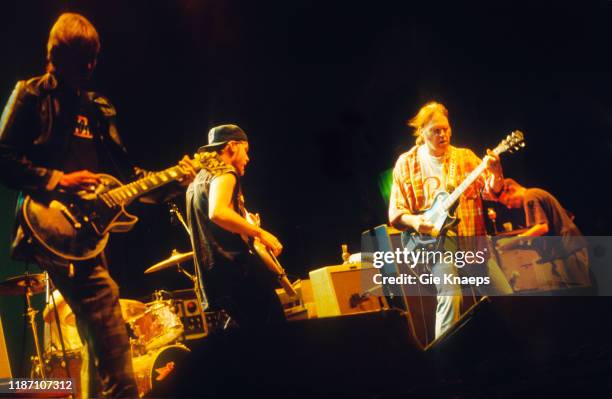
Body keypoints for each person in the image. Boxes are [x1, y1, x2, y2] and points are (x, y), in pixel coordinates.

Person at [0, 13, 195, 398]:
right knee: (110, 330)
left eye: (94, 57)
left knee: (99, 337)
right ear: (55, 56)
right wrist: (57, 180)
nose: (89, 67)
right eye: (81, 58)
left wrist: (173, 181)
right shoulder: (32, 95)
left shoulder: (97, 108)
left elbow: (124, 176)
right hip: (50, 223)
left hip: (87, 235)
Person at [388, 101, 512, 338]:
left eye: (446, 128)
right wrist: (416, 222)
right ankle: (443, 363)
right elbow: (395, 213)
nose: (443, 134)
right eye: (436, 130)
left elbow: (492, 192)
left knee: (504, 295)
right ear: (422, 132)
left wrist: (495, 173)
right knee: (451, 295)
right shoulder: (406, 163)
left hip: (471, 241)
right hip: (433, 244)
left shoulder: (465, 157)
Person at [186, 124, 286, 328]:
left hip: (216, 276)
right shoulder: (225, 171)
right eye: (246, 151)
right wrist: (261, 232)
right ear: (232, 146)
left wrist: (246, 226)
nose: (248, 158)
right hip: (238, 272)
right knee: (275, 330)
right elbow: (218, 212)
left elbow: (216, 222)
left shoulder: (197, 179)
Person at [497, 178, 590, 288]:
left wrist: (514, 241)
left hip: (569, 249)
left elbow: (542, 227)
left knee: (579, 292)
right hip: (571, 247)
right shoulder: (536, 193)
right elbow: (569, 216)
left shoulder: (529, 197)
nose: (509, 207)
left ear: (511, 189)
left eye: (508, 201)